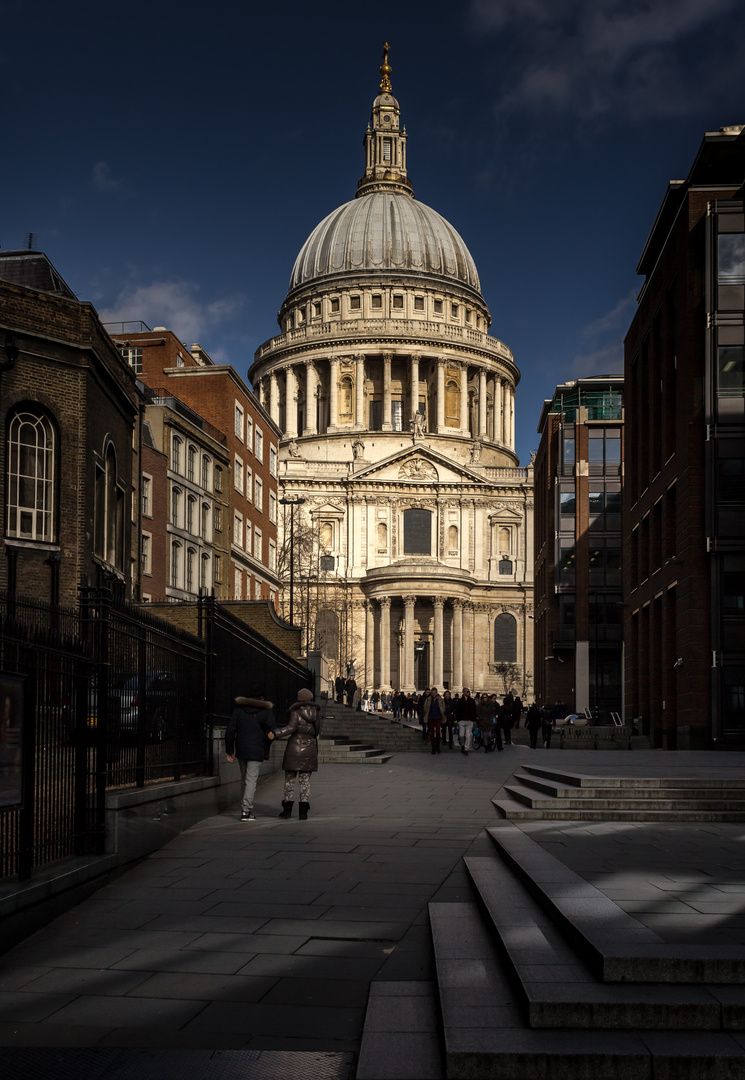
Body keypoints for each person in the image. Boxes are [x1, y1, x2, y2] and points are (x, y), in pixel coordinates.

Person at [225, 689, 277, 821]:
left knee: (244, 778)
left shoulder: (239, 710)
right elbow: (272, 731)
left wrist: (230, 750)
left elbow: (230, 731)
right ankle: (246, 810)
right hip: (256, 748)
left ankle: (244, 807)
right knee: (251, 780)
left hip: (241, 748)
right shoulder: (266, 711)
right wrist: (266, 743)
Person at [272, 687, 322, 820]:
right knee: (305, 781)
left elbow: (291, 728)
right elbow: (317, 731)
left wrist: (276, 733)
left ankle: (287, 810)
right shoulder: (316, 713)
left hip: (294, 747)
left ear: (299, 698)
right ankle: (303, 812)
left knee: (290, 780)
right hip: (309, 747)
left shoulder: (295, 711)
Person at [422, 686, 446, 754]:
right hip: (431, 718)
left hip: (438, 717)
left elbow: (443, 707)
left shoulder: (440, 699)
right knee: (432, 733)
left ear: (436, 693)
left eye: (435, 693)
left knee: (438, 733)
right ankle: (433, 748)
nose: (434, 694)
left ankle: (437, 746)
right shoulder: (428, 700)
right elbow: (425, 707)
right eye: (432, 693)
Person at [456, 687, 477, 755]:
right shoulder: (460, 701)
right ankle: (462, 744)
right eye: (467, 692)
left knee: (468, 735)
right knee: (461, 735)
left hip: (469, 720)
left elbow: (474, 710)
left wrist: (473, 718)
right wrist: (458, 719)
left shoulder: (471, 700)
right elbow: (457, 710)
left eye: (469, 691)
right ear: (464, 693)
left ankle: (466, 748)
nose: (469, 693)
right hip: (461, 720)